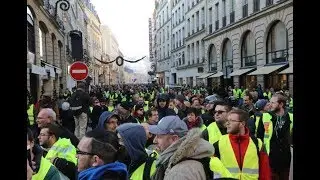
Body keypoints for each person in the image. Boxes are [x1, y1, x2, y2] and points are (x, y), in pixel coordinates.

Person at [211, 108, 271, 179]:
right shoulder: (219, 143)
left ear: (242, 123)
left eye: (231, 121)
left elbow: (265, 171)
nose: (227, 123)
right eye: (227, 120)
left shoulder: (257, 143)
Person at [149, 115, 214, 180]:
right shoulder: (191, 156)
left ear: (174, 139)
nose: (154, 140)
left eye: (159, 136)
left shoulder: (179, 173)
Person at [260, 93, 293, 179]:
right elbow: (259, 136)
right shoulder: (264, 116)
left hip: (285, 157)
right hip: (270, 156)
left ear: (281, 104)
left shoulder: (291, 117)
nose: (270, 105)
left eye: (273, 103)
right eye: (270, 102)